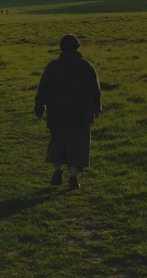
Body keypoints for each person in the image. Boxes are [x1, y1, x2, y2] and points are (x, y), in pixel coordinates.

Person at [34, 34, 102, 189]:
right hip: (81, 113)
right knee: (78, 145)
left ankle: (58, 172)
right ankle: (73, 177)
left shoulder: (52, 66)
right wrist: (96, 109)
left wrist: (39, 108)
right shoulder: (86, 66)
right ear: (77, 47)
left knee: (58, 142)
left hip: (57, 112)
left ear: (61, 48)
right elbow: (95, 91)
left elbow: (43, 89)